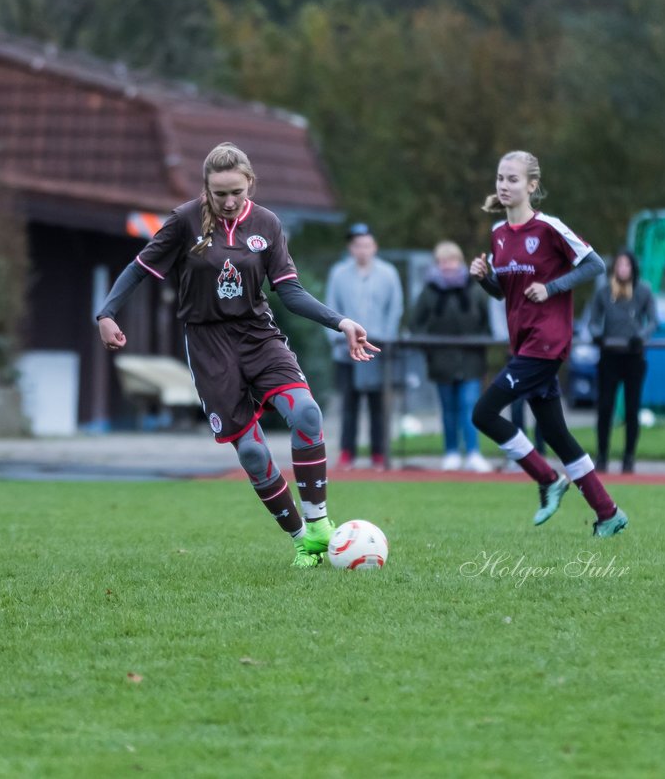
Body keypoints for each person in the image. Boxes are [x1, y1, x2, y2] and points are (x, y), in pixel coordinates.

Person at [95, 142, 378, 568]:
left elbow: (291, 292)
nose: (228, 202)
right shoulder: (184, 221)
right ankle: (303, 540)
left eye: (236, 193)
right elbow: (138, 268)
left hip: (257, 336)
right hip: (208, 346)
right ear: (206, 188)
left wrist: (341, 322)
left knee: (306, 413)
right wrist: (107, 313)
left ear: (250, 185)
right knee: (251, 454)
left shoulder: (267, 223)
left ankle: (319, 521)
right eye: (218, 193)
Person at [469, 150, 627, 537]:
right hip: (524, 344)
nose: (504, 186)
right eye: (500, 179)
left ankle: (546, 478)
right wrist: (484, 279)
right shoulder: (499, 235)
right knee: (556, 432)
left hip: (547, 342)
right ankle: (608, 513)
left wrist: (553, 286)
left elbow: (595, 265)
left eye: (513, 179)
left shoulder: (549, 228)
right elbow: (507, 293)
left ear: (532, 186)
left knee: (483, 414)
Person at [324, 222, 403, 469]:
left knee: (378, 404)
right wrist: (335, 338)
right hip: (345, 350)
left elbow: (395, 309)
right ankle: (348, 453)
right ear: (351, 248)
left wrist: (386, 340)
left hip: (376, 350)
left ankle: (379, 453)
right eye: (357, 245)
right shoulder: (338, 273)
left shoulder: (388, 273)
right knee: (349, 404)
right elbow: (328, 307)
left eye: (366, 245)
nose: (362, 250)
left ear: (374, 247)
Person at [410, 240, 492, 472]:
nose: (448, 265)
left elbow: (486, 322)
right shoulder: (429, 292)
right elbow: (416, 324)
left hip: (471, 362)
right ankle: (451, 452)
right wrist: (430, 348)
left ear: (460, 261)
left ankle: (474, 452)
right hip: (440, 361)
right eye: (443, 261)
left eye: (452, 260)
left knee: (469, 406)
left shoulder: (474, 289)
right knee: (448, 409)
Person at [590, 249, 658, 474]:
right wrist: (598, 335)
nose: (623, 269)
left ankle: (629, 458)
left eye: (626, 265)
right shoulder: (604, 293)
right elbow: (593, 322)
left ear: (633, 268)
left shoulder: (643, 291)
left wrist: (641, 337)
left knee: (632, 409)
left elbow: (654, 320)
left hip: (633, 357)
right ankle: (602, 456)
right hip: (609, 356)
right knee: (605, 407)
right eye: (619, 265)